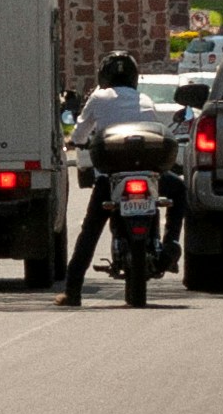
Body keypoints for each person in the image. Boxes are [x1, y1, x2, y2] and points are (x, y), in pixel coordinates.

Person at [59, 52, 168, 306]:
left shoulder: (98, 97)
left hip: (111, 176)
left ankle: (72, 291)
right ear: (133, 77)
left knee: (90, 230)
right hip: (147, 172)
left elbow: (78, 135)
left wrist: (80, 141)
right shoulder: (145, 99)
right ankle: (169, 243)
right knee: (179, 194)